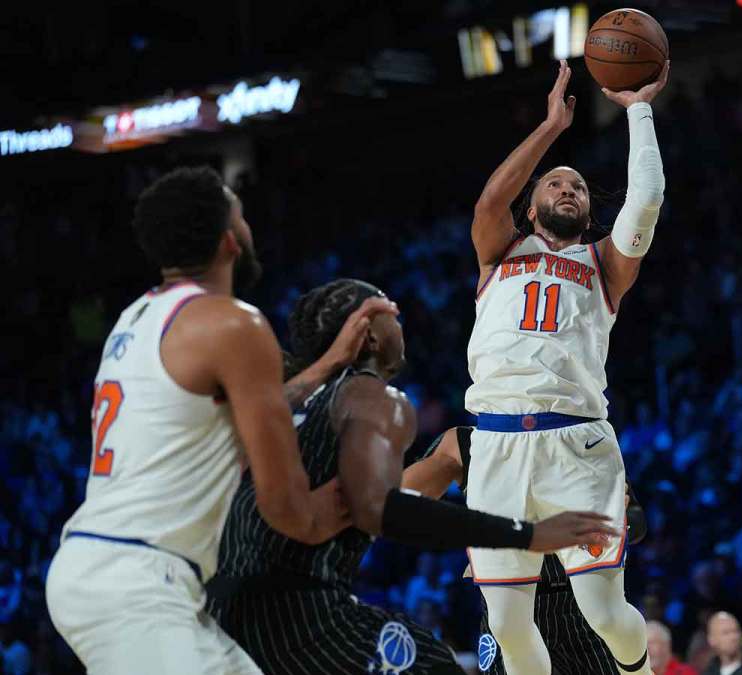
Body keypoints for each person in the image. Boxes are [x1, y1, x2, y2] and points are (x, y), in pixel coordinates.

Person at [207, 280, 615, 674]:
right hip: (297, 609)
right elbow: (385, 510)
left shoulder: (283, 403)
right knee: (434, 664)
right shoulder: (374, 398)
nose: (401, 326)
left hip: (219, 605)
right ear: (367, 335)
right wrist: (526, 534)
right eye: (391, 314)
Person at [44, 166, 352, 674]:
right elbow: (291, 511)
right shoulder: (236, 323)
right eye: (243, 218)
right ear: (230, 241)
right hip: (138, 579)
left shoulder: (137, 318)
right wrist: (372, 497)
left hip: (102, 566)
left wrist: (325, 368)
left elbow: (240, 407)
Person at [464, 57, 669, 675]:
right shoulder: (498, 252)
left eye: (578, 186)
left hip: (575, 442)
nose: (568, 190)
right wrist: (552, 127)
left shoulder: (604, 265)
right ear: (533, 207)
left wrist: (638, 108)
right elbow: (489, 198)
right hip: (496, 444)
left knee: (602, 609)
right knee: (505, 623)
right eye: (556, 184)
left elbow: (648, 199)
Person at [403, 425, 649, 674]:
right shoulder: (467, 441)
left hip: (578, 607)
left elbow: (638, 522)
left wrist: (620, 520)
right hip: (510, 606)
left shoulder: (575, 432)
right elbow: (405, 502)